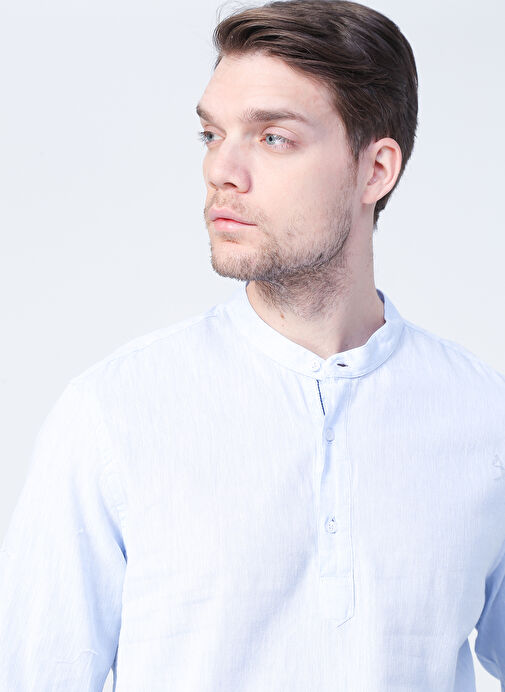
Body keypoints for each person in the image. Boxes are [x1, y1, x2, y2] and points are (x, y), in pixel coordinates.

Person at [1, 0, 504, 689]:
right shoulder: (113, 414)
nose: (221, 170)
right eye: (211, 134)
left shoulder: (483, 418)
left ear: (375, 170)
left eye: (272, 138)